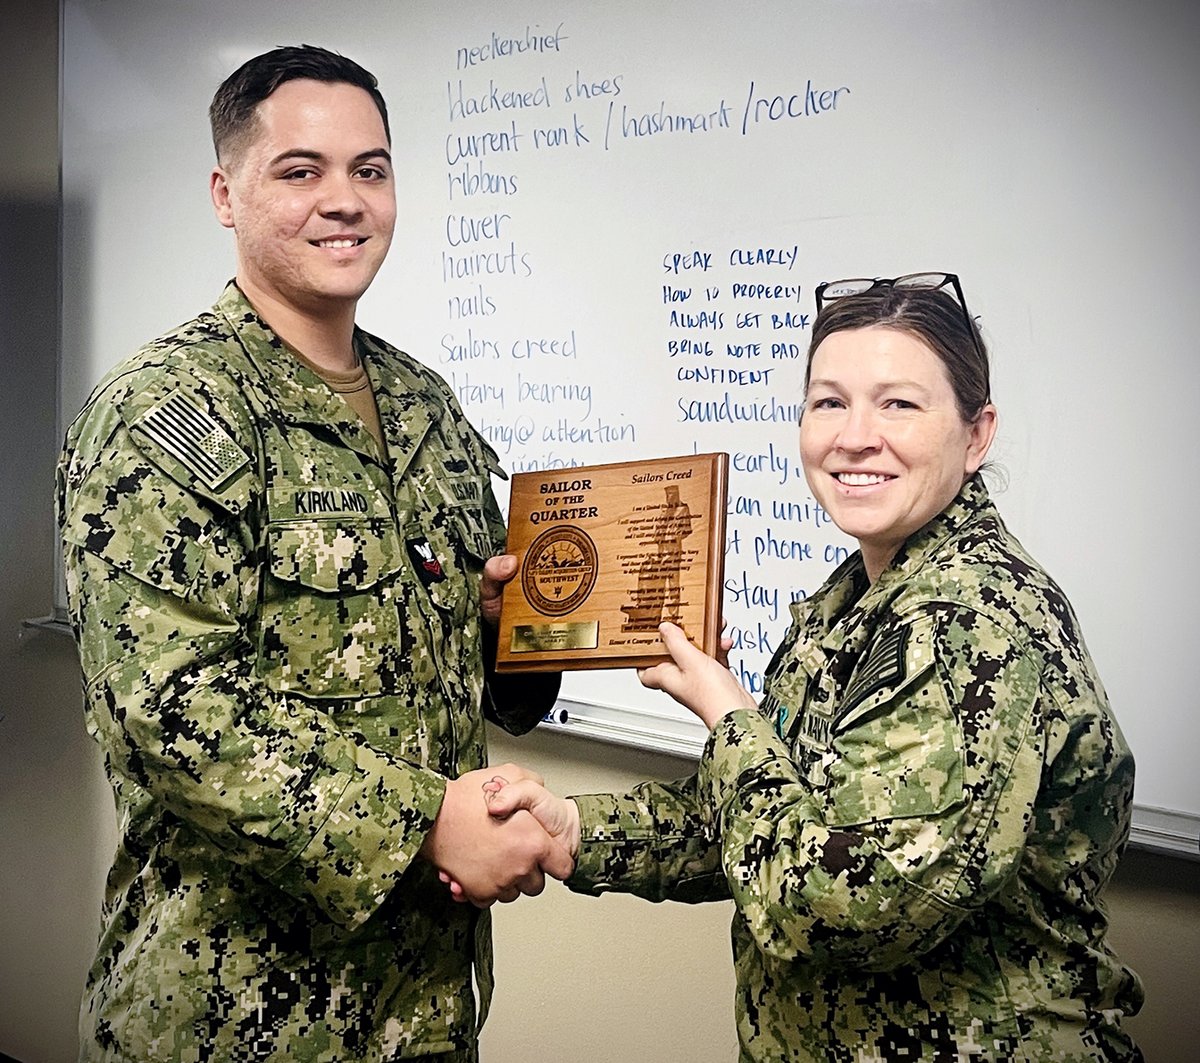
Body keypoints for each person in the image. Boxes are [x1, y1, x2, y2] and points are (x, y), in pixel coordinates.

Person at [482, 273, 1145, 1061]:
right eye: (829, 402)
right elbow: (770, 824)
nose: (855, 435)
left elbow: (837, 905)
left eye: (899, 403)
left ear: (977, 433)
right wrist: (574, 832)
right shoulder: (855, 599)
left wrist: (730, 719)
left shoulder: (971, 624)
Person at [57, 45, 569, 1061]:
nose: (345, 200)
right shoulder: (167, 412)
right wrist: (427, 822)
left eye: (370, 170)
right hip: (235, 1014)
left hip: (422, 1000)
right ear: (226, 192)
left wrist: (537, 631)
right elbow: (169, 711)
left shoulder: (427, 407)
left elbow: (492, 689)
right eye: (302, 171)